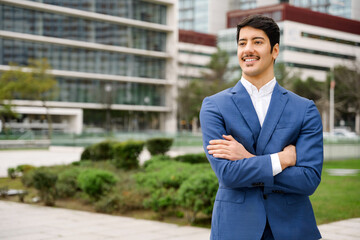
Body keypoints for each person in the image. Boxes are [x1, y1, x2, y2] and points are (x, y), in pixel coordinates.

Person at [199, 15, 323, 240]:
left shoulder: (305, 109)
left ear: (275, 50)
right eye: (242, 43)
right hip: (235, 228)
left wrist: (245, 157)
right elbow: (227, 175)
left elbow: (309, 179)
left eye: (257, 42)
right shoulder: (214, 106)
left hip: (293, 228)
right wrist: (282, 160)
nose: (248, 49)